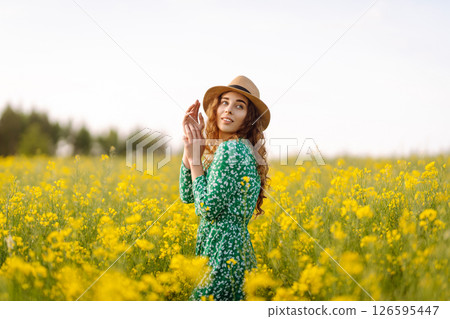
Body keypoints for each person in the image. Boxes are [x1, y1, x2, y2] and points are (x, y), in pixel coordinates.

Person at [179, 75, 271, 301]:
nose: (228, 110)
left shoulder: (233, 151)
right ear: (216, 108)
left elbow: (207, 208)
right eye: (224, 102)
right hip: (220, 249)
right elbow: (188, 194)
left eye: (239, 106)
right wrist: (190, 147)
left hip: (224, 252)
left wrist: (197, 160)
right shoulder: (228, 149)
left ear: (248, 119)